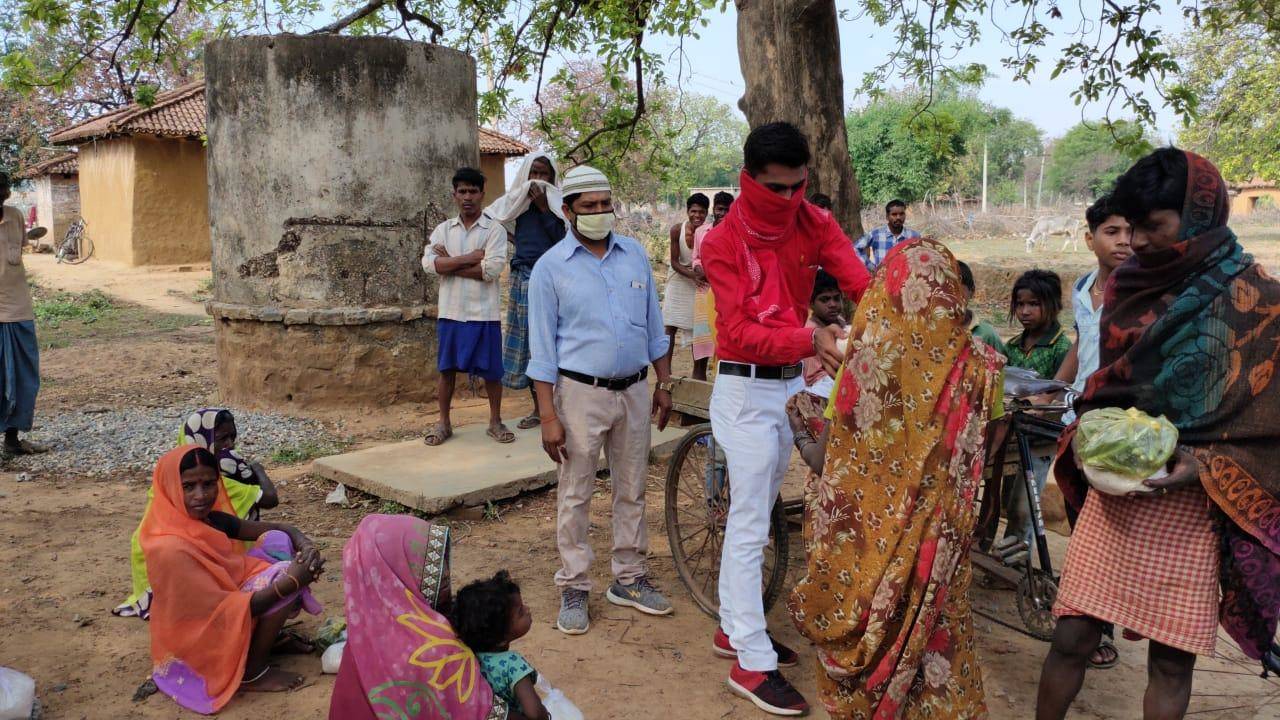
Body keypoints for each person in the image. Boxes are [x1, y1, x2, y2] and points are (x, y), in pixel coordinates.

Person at [1037, 149, 1280, 717]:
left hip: (1195, 500)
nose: (1139, 241)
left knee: (1172, 661)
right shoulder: (1131, 284)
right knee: (1072, 636)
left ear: (1197, 218)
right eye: (1131, 226)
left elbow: (1267, 417)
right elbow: (1113, 384)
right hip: (1118, 493)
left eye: (1154, 226)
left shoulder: (1260, 302)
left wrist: (1200, 465)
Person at [789, 238, 1005, 718]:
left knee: (875, 628)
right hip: (939, 545)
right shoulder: (984, 368)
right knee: (938, 636)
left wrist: (803, 441)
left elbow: (832, 463)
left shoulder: (864, 368)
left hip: (873, 550)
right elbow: (983, 451)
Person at [700, 121, 871, 716]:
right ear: (749, 179)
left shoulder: (812, 222)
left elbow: (860, 282)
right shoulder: (721, 242)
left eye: (800, 186)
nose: (791, 200)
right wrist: (809, 338)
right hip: (745, 392)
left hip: (793, 385)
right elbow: (739, 332)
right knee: (751, 521)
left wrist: (889, 315)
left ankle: (734, 627)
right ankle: (750, 662)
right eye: (778, 189)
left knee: (761, 514)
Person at [526, 164, 675, 636]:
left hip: (633, 390)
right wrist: (548, 415)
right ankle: (574, 584)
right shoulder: (550, 269)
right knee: (576, 491)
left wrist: (664, 383)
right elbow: (542, 352)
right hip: (578, 394)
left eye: (604, 204)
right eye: (588, 207)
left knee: (632, 486)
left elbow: (654, 329)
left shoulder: (633, 257)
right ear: (567, 211)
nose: (598, 213)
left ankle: (629, 578)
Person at [143, 445, 323, 714]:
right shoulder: (169, 548)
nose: (200, 495)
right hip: (200, 639)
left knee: (278, 542)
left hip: (228, 603)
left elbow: (280, 528)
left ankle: (263, 640)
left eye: (208, 484)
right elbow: (218, 614)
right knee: (283, 575)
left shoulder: (210, 520)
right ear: (169, 487)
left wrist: (305, 546)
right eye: (188, 486)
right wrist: (292, 581)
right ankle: (253, 671)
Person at [1049, 196, 1132, 671]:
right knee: (1081, 522)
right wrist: (1055, 389)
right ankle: (1090, 619)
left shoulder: (1139, 291)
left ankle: (1098, 624)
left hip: (1116, 421)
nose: (1123, 241)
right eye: (1112, 232)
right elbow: (1082, 345)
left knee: (1104, 529)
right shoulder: (1083, 287)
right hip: (1077, 418)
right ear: (1090, 239)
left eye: (1129, 232)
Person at [331, 514, 517, 720]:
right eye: (425, 564)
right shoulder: (438, 649)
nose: (445, 573)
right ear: (394, 573)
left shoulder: (362, 641)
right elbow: (485, 713)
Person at [116, 408, 281, 620]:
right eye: (222, 439)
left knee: (277, 549)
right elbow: (270, 498)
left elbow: (239, 525)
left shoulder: (187, 473)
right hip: (171, 577)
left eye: (232, 437)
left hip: (179, 565)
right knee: (275, 581)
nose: (229, 445)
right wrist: (258, 470)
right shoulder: (201, 477)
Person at [423, 167, 511, 446]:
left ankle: (495, 422)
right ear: (454, 195)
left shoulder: (494, 230)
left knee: (492, 372)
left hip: (483, 313)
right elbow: (430, 265)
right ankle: (444, 423)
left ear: (482, 194)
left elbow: (492, 270)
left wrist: (450, 262)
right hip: (451, 312)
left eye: (473, 191)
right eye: (462, 191)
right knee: (446, 370)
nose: (468, 196)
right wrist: (471, 257)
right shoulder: (442, 230)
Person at [488, 152, 567, 430]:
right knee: (530, 343)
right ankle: (539, 408)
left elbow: (562, 237)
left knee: (551, 341)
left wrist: (546, 209)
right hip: (522, 275)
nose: (540, 180)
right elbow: (494, 218)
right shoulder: (517, 204)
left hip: (552, 278)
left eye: (545, 174)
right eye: (535, 173)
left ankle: (559, 407)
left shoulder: (557, 206)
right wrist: (515, 241)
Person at [451, 571, 549, 720]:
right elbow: (535, 714)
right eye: (521, 612)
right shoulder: (512, 663)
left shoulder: (468, 659)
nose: (528, 609)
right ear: (501, 639)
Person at [0, 173, 43, 457]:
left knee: (24, 377)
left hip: (18, 309)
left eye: (4, 187)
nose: (3, 191)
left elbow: (22, 246)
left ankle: (12, 440)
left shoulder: (14, 216)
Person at [662, 193, 710, 373]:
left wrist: (699, 276)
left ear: (707, 213)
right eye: (694, 211)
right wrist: (692, 275)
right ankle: (665, 371)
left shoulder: (709, 232)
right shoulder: (676, 230)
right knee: (670, 326)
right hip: (678, 280)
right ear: (687, 211)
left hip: (699, 283)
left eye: (701, 212)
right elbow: (674, 262)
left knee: (699, 328)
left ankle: (698, 373)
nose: (697, 216)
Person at [690, 192, 734, 377]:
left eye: (726, 210)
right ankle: (698, 380)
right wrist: (699, 269)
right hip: (704, 290)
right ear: (713, 210)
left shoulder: (736, 233)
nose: (722, 213)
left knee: (722, 337)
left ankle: (720, 381)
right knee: (702, 339)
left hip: (726, 293)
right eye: (719, 209)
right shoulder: (701, 232)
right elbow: (696, 257)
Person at [1005, 269, 1071, 378]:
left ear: (1054, 305)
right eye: (1020, 304)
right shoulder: (1012, 347)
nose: (1025, 312)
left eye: (1034, 304)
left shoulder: (1061, 349)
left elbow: (1064, 389)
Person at [855, 199, 920, 271]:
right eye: (894, 214)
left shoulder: (914, 236)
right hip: (882, 280)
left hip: (907, 280)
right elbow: (856, 249)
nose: (898, 217)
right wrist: (871, 267)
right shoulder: (876, 234)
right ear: (887, 217)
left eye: (901, 214)